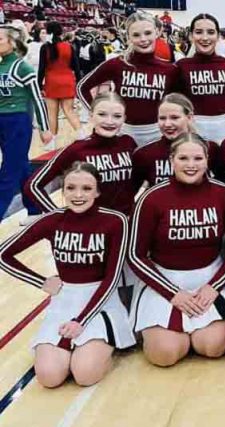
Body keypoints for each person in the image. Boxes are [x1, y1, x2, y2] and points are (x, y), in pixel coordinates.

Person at [0, 162, 134, 387]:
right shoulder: (52, 221)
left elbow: (112, 278)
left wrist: (81, 321)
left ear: (98, 191)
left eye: (86, 188)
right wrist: (41, 281)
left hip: (102, 301)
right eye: (71, 188)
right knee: (49, 377)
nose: (78, 195)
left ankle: (107, 343)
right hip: (64, 300)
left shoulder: (114, 221)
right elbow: (3, 254)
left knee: (84, 375)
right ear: (63, 190)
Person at [129, 133, 225, 367]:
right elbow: (135, 256)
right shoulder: (152, 198)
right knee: (165, 354)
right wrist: (172, 294)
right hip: (164, 281)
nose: (191, 165)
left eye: (197, 158)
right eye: (183, 158)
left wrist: (214, 286)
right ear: (171, 160)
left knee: (213, 346)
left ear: (207, 160)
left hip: (209, 281)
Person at [26, 92, 138, 216]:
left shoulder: (128, 144)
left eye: (117, 116)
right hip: (91, 229)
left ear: (124, 118)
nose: (109, 121)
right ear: (91, 116)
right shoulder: (76, 150)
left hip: (126, 225)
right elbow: (32, 185)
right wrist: (58, 216)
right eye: (102, 114)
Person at [77, 12, 178, 146]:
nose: (143, 39)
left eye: (148, 33)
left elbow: (181, 104)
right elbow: (81, 87)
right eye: (136, 35)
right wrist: (96, 114)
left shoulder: (169, 70)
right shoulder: (117, 64)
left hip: (157, 134)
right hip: (122, 133)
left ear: (157, 32)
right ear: (128, 37)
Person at [0, 24, 52, 223]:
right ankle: (36, 209)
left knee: (8, 171)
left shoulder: (22, 67)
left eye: (0, 39)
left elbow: (37, 99)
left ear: (13, 43)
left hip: (18, 122)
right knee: (21, 167)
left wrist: (44, 127)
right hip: (2, 120)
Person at [132, 93, 217, 188]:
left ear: (189, 117)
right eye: (162, 118)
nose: (167, 124)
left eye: (174, 118)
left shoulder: (210, 148)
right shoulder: (144, 154)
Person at [176, 14, 225, 144]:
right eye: (198, 32)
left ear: (218, 36)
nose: (205, 37)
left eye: (210, 32)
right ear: (191, 36)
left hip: (224, 128)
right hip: (193, 127)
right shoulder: (181, 66)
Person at [38, 21, 82, 146]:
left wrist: (39, 85)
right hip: (67, 81)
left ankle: (51, 143)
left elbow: (41, 69)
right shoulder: (69, 46)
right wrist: (78, 82)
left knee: (52, 114)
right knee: (69, 110)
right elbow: (76, 67)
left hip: (51, 82)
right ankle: (82, 134)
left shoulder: (45, 47)